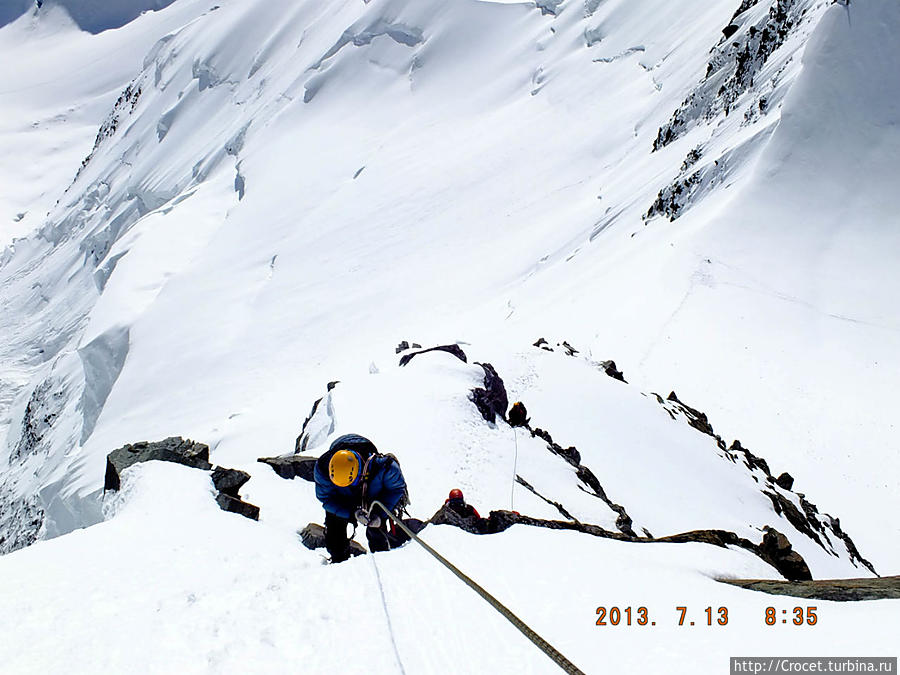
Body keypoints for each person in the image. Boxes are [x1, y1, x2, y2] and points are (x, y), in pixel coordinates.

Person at [313, 433, 409, 563]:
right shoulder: (323, 470)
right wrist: (352, 513)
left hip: (371, 493)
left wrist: (380, 516)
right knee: (335, 534)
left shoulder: (383, 467)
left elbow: (396, 489)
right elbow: (327, 498)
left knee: (377, 529)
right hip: (343, 497)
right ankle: (338, 559)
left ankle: (382, 558)